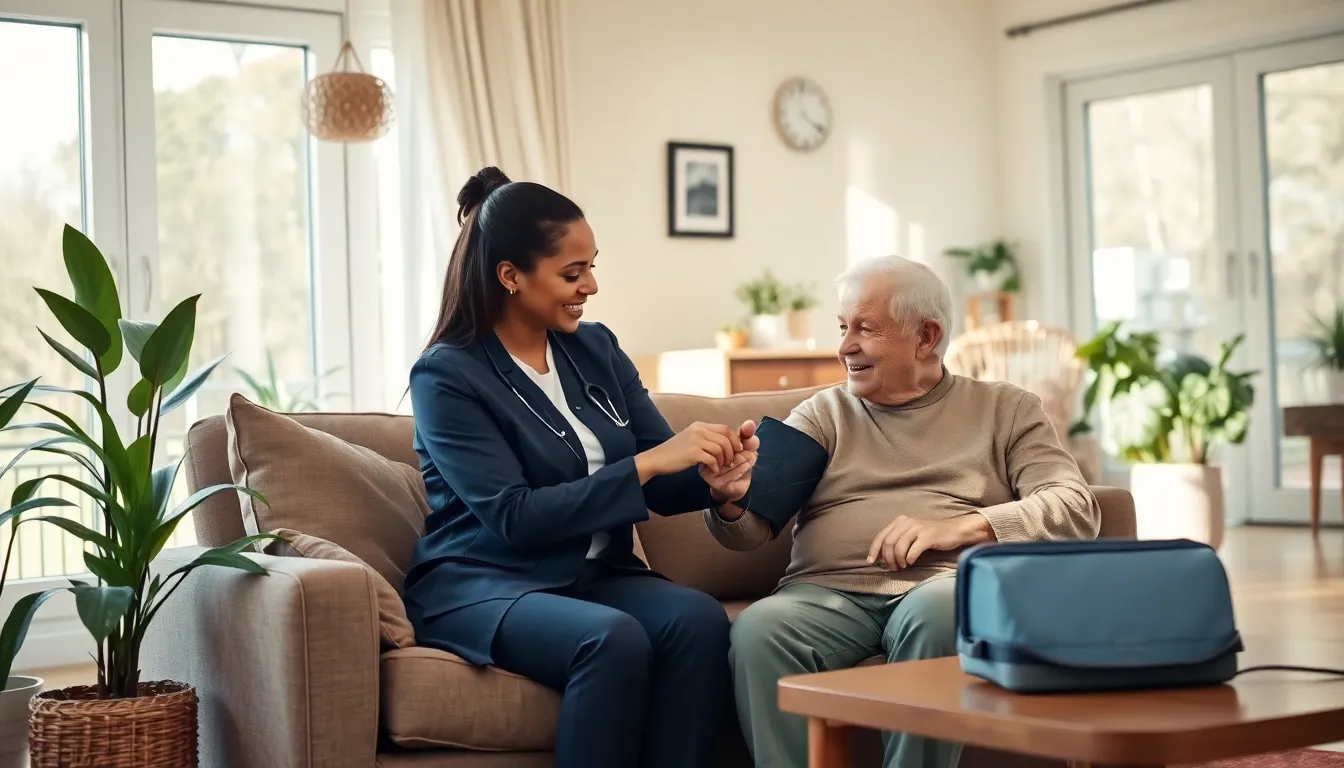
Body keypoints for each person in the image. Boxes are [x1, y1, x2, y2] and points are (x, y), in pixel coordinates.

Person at [403, 167, 757, 768]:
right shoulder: (447, 375)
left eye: (592, 266)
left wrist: (713, 482)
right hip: (488, 583)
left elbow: (662, 481)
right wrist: (648, 464)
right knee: (610, 638)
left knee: (698, 620)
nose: (590, 285)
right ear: (510, 276)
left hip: (597, 576)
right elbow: (513, 518)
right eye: (572, 272)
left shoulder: (596, 347)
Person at [704, 255, 1101, 768]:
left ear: (926, 336)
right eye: (843, 327)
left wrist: (962, 528)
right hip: (826, 594)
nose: (845, 346)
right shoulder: (824, 414)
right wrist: (730, 498)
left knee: (939, 611)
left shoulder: (1007, 409)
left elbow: (1075, 507)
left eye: (865, 329)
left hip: (942, 584)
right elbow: (748, 532)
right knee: (759, 630)